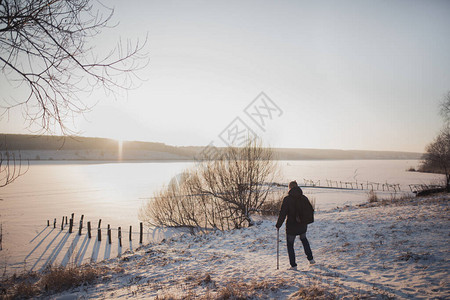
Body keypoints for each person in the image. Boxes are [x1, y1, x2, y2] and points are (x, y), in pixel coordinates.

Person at [276, 180, 315, 270]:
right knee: (304, 240)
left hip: (291, 226)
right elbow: (310, 210)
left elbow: (283, 213)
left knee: (290, 245)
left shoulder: (287, 199)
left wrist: (278, 225)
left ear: (290, 188)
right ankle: (311, 259)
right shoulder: (304, 198)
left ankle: (293, 265)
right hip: (302, 225)